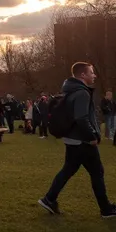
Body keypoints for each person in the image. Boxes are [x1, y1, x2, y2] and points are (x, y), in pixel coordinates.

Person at [38, 62, 116, 218]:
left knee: (68, 170)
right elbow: (81, 118)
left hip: (72, 139)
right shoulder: (82, 93)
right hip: (82, 141)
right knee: (97, 172)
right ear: (83, 75)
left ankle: (49, 199)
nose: (94, 75)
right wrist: (91, 137)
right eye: (91, 72)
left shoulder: (69, 90)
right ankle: (106, 209)